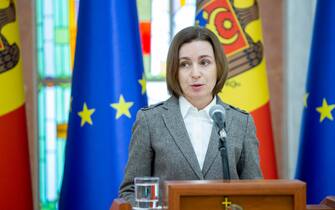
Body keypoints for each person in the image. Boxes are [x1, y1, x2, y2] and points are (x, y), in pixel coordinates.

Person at [119, 26, 262, 205]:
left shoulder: (242, 122)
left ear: (218, 66)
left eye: (204, 62)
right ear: (174, 71)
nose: (195, 73)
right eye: (185, 64)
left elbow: (255, 192)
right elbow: (132, 189)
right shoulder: (150, 121)